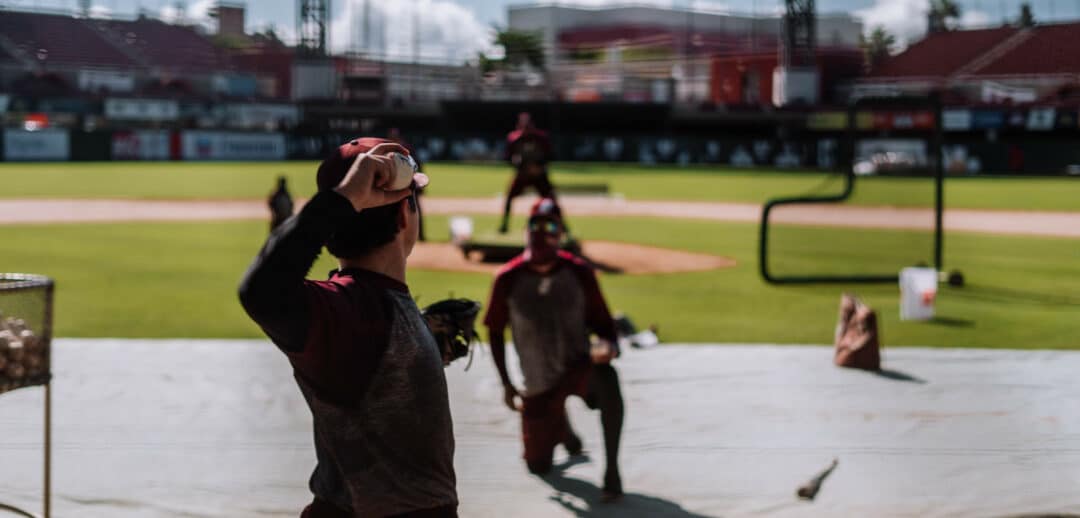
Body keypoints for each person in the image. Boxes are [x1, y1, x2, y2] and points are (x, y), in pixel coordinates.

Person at [238, 138, 458, 518]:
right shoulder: (352, 310)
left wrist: (422, 353)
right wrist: (344, 200)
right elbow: (262, 293)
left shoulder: (364, 310)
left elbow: (369, 371)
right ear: (406, 215)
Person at [484, 197, 625, 501]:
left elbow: (604, 323)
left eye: (549, 226)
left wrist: (609, 347)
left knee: (608, 379)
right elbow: (494, 331)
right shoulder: (508, 278)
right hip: (537, 379)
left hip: (577, 366)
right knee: (538, 465)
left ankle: (612, 471)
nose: (541, 232)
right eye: (535, 226)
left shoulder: (579, 273)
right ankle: (563, 428)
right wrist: (507, 384)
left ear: (559, 233)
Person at [499, 112, 555, 234]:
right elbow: (507, 158)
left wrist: (538, 167)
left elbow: (550, 155)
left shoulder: (541, 138)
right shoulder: (514, 138)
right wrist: (520, 166)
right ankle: (504, 225)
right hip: (522, 175)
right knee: (509, 198)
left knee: (552, 200)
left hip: (539, 175)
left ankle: (561, 228)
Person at [387, 127, 426, 241]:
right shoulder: (388, 149)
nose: (393, 138)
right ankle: (395, 236)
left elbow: (417, 165)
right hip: (394, 186)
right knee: (394, 212)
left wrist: (419, 185)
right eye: (392, 136)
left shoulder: (407, 148)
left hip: (410, 185)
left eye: (395, 136)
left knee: (415, 210)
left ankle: (420, 235)